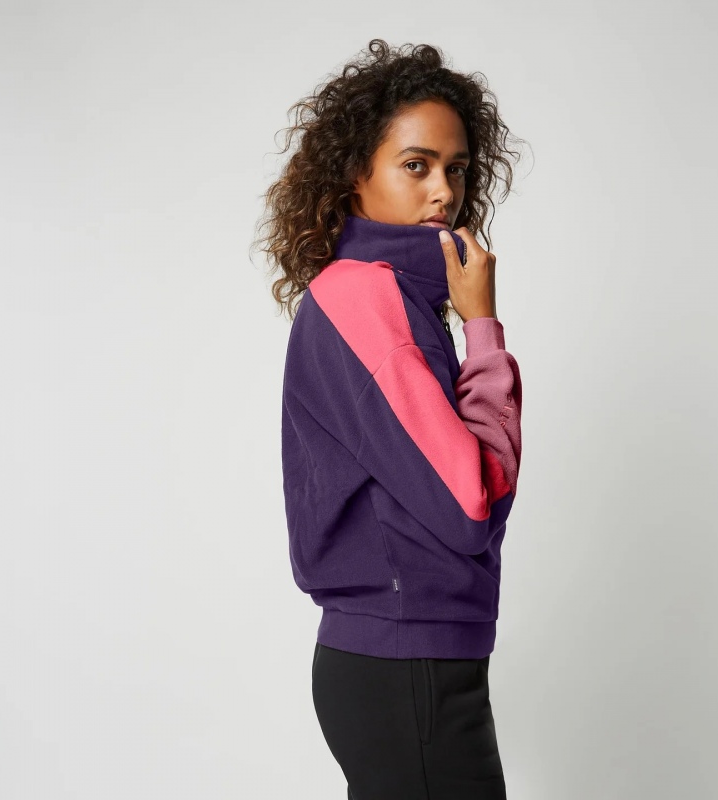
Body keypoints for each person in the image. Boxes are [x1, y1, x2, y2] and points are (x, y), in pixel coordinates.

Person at [252, 38, 526, 800]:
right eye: (416, 165)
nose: (444, 192)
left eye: (457, 169)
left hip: (407, 662)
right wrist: (483, 330)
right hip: (407, 665)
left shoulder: (394, 297)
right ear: (356, 175)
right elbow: (470, 505)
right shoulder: (365, 298)